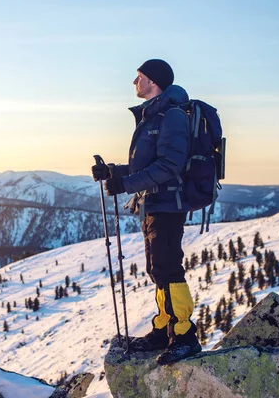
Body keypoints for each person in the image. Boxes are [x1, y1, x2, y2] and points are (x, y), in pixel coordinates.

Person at [91, 59, 201, 365]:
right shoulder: (155, 115)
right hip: (155, 202)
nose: (134, 82)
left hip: (169, 203)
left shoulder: (172, 116)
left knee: (169, 268)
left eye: (139, 77)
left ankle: (184, 335)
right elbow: (147, 165)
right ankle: (165, 327)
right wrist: (112, 172)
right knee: (158, 268)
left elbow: (169, 166)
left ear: (153, 81)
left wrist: (125, 183)